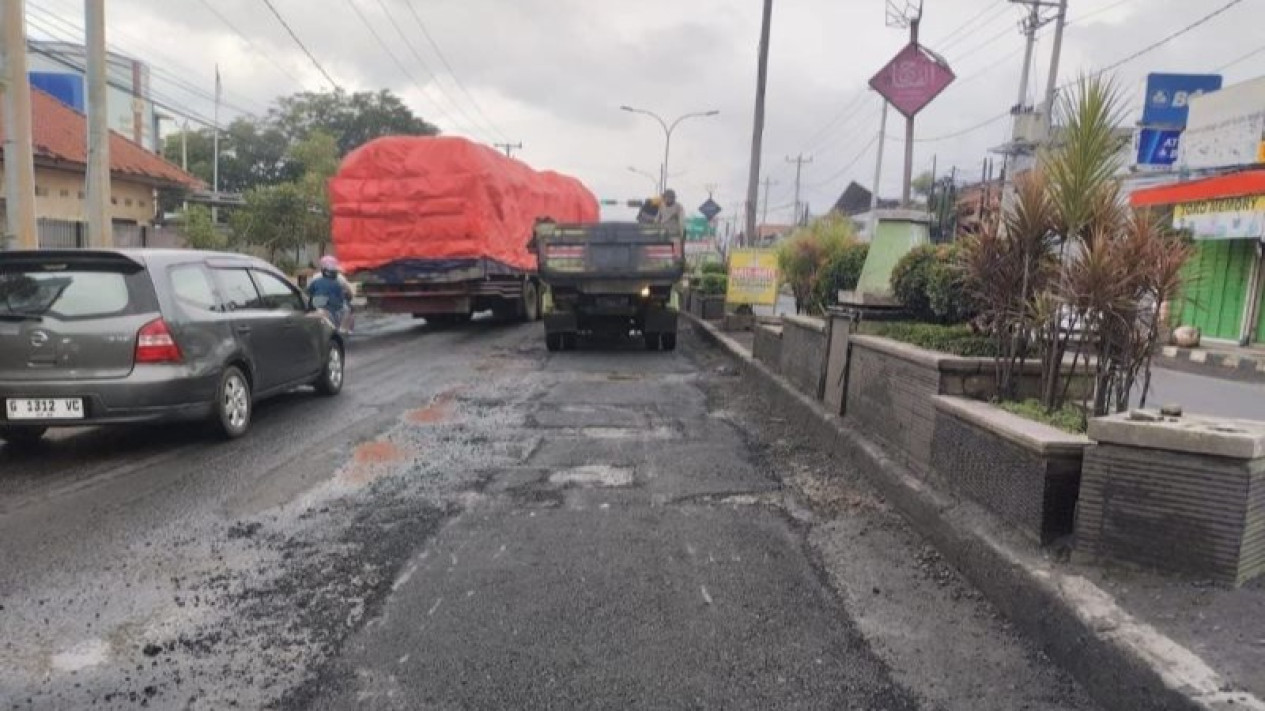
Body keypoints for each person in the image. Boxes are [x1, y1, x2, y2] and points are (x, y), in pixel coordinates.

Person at [308, 256, 354, 332]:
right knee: (347, 311)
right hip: (333, 307)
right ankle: (343, 329)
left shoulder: (316, 277)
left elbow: (309, 292)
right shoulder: (339, 280)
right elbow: (347, 295)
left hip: (318, 304)